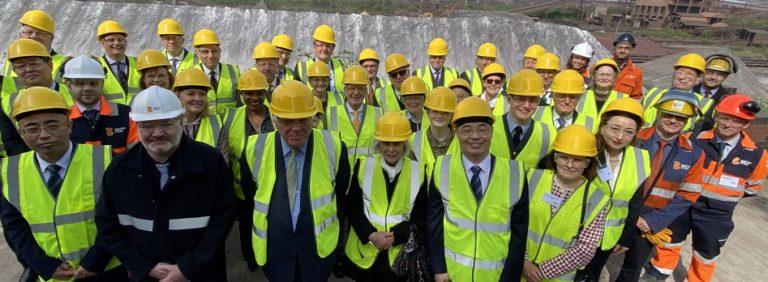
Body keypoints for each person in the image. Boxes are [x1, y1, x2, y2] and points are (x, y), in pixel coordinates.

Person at [96, 86, 235, 281]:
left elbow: (222, 219)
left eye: (166, 124)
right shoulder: (119, 170)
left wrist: (187, 267)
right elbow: (107, 225)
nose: (158, 133)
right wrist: (144, 266)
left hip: (201, 273)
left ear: (181, 121)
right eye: (148, 125)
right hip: (147, 275)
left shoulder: (210, 162)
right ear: (136, 126)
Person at [1, 87, 128, 282]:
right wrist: (42, 264)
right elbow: (14, 226)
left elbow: (122, 216)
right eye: (32, 128)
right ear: (21, 133)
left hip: (107, 271)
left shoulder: (106, 159)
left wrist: (94, 261)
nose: (43, 135)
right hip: (53, 275)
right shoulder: (9, 170)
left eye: (52, 125)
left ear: (69, 126)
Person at [648, 94, 767, 282]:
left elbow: (754, 186)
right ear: (717, 116)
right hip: (682, 205)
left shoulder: (757, 155)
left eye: (736, 121)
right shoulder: (692, 139)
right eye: (725, 118)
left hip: (717, 214)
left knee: (706, 253)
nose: (728, 124)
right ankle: (657, 274)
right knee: (668, 242)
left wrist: (721, 197)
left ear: (746, 124)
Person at [241, 80, 351, 281]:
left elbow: (341, 199)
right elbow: (250, 200)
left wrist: (338, 248)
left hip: (319, 254)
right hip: (274, 253)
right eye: (287, 121)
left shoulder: (334, 147)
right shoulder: (254, 150)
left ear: (313, 116)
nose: (296, 128)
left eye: (304, 120)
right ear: (274, 119)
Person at [428, 97, 528, 281]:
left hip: (495, 277)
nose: (475, 136)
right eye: (466, 130)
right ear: (456, 133)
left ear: (492, 132)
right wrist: (439, 268)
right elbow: (434, 225)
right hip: (453, 275)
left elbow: (519, 235)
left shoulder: (515, 174)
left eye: (482, 128)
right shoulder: (442, 168)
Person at [616, 90, 706, 282]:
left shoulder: (693, 154)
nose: (673, 120)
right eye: (669, 115)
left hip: (650, 220)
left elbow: (688, 194)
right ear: (658, 113)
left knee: (631, 270)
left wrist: (653, 221)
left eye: (681, 118)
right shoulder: (634, 138)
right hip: (618, 210)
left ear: (688, 120)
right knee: (596, 258)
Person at [342, 112, 427, 281]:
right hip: (365, 253)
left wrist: (396, 236)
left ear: (405, 143)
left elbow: (422, 217)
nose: (391, 149)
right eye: (386, 143)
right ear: (378, 144)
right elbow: (352, 208)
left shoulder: (420, 172)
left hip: (399, 256)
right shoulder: (363, 165)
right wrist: (371, 235)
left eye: (397, 144)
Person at [524, 125, 610, 281]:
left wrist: (541, 271)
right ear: (555, 157)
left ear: (587, 163)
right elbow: (510, 221)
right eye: (564, 157)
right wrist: (523, 261)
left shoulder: (597, 199)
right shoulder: (531, 178)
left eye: (577, 160)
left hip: (554, 278)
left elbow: (585, 249)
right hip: (519, 269)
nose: (569, 165)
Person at [579, 98, 650, 280]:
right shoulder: (585, 150)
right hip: (577, 233)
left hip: (608, 237)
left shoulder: (640, 159)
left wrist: (625, 237)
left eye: (628, 132)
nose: (620, 137)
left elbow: (634, 203)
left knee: (590, 276)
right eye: (615, 128)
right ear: (602, 127)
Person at [223, 68, 273, 271]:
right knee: (246, 224)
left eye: (259, 92)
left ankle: (269, 255)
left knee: (271, 223)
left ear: (265, 93)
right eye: (248, 93)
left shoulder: (276, 115)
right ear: (240, 94)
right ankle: (251, 257)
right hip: (241, 188)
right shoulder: (229, 118)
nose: (254, 98)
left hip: (271, 184)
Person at [2, 38, 74, 157]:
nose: (28, 69)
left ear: (50, 64)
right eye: (21, 66)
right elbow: (12, 143)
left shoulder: (73, 93)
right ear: (14, 71)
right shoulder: (8, 102)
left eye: (33, 63)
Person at [64, 55, 139, 154]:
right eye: (80, 83)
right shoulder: (63, 119)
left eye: (93, 83)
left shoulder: (127, 114)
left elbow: (137, 155)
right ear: (68, 86)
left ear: (102, 84)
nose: (87, 88)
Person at [488, 69, 556, 170]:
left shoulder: (549, 134)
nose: (527, 105)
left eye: (533, 100)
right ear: (509, 98)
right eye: (521, 98)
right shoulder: (489, 127)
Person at [3, 10, 68, 96]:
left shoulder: (65, 64)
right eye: (28, 32)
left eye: (40, 33)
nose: (33, 36)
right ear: (21, 35)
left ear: (51, 38)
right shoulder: (11, 60)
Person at [641, 53, 714, 131]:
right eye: (680, 72)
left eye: (689, 74)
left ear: (698, 80)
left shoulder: (705, 104)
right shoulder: (653, 93)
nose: (682, 77)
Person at [327, 65, 383, 164]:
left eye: (360, 88)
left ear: (366, 91)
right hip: (341, 174)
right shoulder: (330, 114)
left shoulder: (378, 114)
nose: (356, 92)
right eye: (351, 88)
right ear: (344, 90)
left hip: (369, 174)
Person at [172, 68, 228, 158]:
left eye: (202, 94)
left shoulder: (216, 123)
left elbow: (223, 162)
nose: (198, 99)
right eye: (191, 93)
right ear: (177, 95)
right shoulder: (168, 123)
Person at [192, 28, 241, 116]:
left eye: (214, 51)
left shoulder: (234, 71)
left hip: (231, 126)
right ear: (197, 53)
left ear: (220, 51)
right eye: (205, 52)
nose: (210, 56)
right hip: (204, 127)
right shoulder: (191, 75)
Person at [411, 86, 456, 179]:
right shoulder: (413, 139)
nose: (439, 116)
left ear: (452, 114)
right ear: (427, 112)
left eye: (445, 112)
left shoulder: (462, 140)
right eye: (435, 111)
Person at [533, 70, 597, 132]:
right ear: (552, 94)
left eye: (573, 96)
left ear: (580, 96)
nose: (567, 101)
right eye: (562, 96)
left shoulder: (591, 124)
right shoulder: (534, 114)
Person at [95, 20, 140, 104]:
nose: (117, 43)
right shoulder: (95, 66)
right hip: (110, 116)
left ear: (126, 42)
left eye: (120, 39)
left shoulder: (139, 63)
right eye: (111, 40)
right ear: (102, 42)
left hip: (138, 114)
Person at [294, 24, 348, 93]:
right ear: (314, 46)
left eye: (328, 46)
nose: (324, 49)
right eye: (321, 45)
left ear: (333, 48)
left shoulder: (342, 66)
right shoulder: (301, 68)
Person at [693, 54, 738, 132]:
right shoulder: (689, 90)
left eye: (719, 75)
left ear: (725, 77)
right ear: (703, 73)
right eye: (710, 72)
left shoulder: (726, 99)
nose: (713, 77)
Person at [612, 32, 643, 100]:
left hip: (620, 109)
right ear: (615, 48)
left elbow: (636, 97)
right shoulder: (602, 65)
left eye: (627, 48)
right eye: (620, 47)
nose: (622, 51)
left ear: (632, 50)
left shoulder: (636, 72)